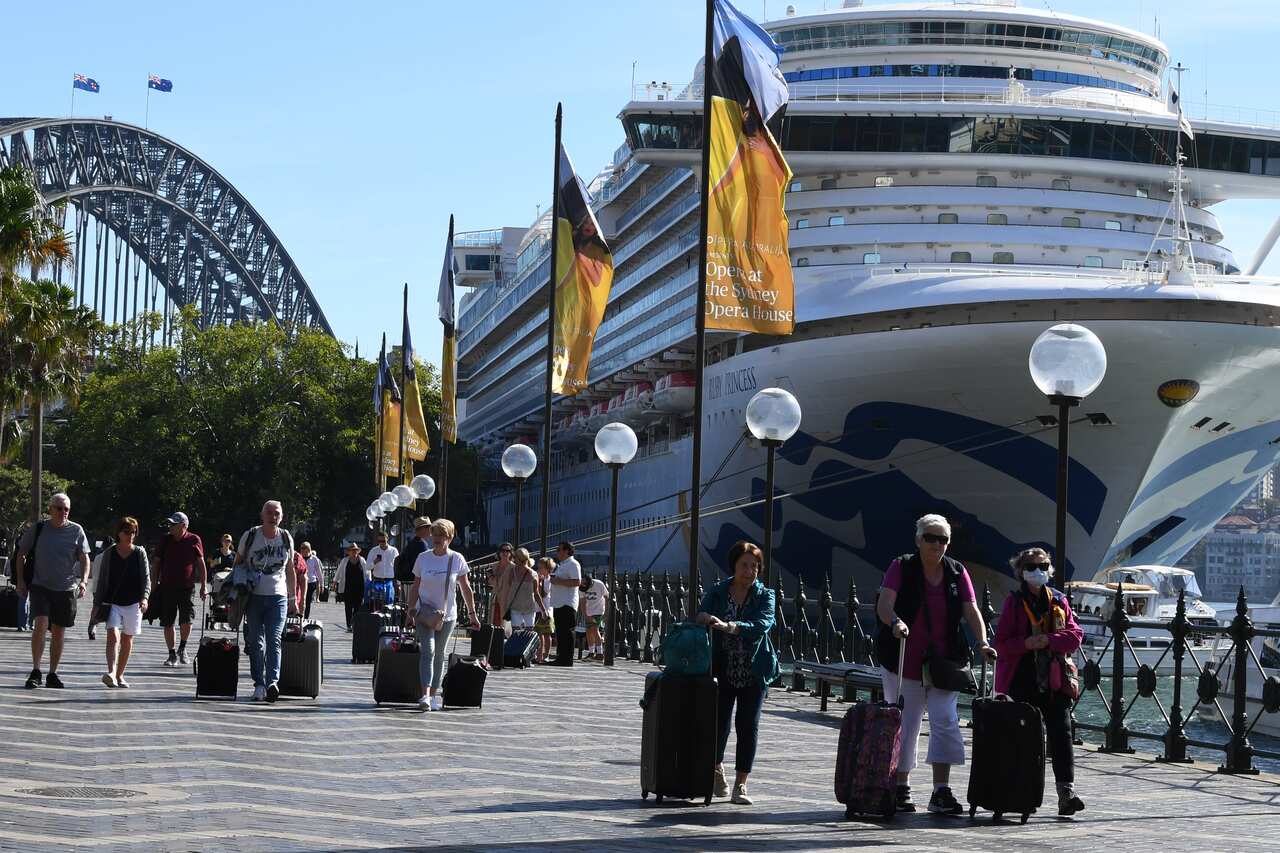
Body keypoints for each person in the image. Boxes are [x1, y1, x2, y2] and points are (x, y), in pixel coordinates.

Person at [875, 513, 995, 815]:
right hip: (904, 658)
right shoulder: (901, 566)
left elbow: (971, 610)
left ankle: (941, 789)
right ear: (918, 540)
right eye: (930, 537)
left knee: (945, 720)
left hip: (945, 663)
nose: (937, 544)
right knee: (906, 723)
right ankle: (900, 785)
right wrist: (897, 622)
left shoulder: (956, 571)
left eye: (943, 539)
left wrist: (982, 642)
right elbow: (885, 604)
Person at [994, 547, 1086, 816]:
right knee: (1023, 739)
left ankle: (1066, 792)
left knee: (1062, 733)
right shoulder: (1014, 602)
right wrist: (1026, 643)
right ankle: (1022, 792)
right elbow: (1002, 644)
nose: (1039, 571)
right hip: (1022, 678)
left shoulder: (1058, 599)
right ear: (1021, 571)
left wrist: (1049, 640)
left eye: (1044, 566)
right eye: (1033, 567)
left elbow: (1075, 635)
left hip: (1055, 679)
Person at [695, 541, 779, 806]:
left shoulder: (766, 595)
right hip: (723, 668)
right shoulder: (719, 591)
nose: (750, 571)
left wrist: (731, 626)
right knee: (719, 724)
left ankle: (741, 784)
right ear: (734, 565)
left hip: (754, 670)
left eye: (754, 566)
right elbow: (700, 614)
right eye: (745, 565)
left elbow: (763, 624)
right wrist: (707, 618)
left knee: (748, 725)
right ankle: (716, 769)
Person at [13, 493, 91, 689]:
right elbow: (21, 554)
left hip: (65, 589)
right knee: (40, 623)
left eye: (66, 509)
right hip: (40, 586)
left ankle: (52, 673)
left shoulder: (76, 530)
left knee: (58, 632)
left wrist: (83, 581)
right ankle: (36, 670)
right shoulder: (39, 529)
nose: (63, 512)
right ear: (50, 509)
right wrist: (21, 581)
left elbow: (84, 557)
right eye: (59, 508)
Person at [406, 519, 481, 711]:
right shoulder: (423, 558)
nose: (437, 539)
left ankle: (432, 696)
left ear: (450, 537)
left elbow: (466, 588)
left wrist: (472, 614)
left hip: (447, 616)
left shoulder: (456, 559)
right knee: (428, 651)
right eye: (435, 535)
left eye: (442, 535)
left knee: (439, 654)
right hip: (424, 613)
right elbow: (415, 587)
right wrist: (410, 611)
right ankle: (424, 694)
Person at [234, 500, 298, 702]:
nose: (273, 516)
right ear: (262, 515)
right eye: (269, 512)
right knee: (255, 642)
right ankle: (258, 684)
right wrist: (236, 592)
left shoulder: (286, 537)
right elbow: (238, 563)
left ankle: (272, 682)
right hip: (253, 597)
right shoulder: (251, 535)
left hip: (277, 597)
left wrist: (293, 598)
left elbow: (290, 570)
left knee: (274, 639)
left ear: (282, 516)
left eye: (277, 513)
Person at [92, 517, 151, 688]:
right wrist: (96, 604)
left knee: (127, 639)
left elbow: (146, 579)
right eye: (127, 532)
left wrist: (145, 597)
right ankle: (111, 672)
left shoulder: (140, 553)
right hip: (113, 602)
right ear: (119, 533)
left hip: (134, 602)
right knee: (113, 634)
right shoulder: (109, 553)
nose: (130, 535)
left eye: (133, 532)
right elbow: (102, 581)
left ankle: (120, 675)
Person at [154, 511, 206, 667]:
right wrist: (153, 583)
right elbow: (156, 562)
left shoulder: (193, 539)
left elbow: (201, 564)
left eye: (174, 524)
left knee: (187, 619)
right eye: (170, 524)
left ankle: (182, 648)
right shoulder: (165, 540)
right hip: (167, 586)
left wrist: (203, 585)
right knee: (168, 621)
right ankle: (171, 654)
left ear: (183, 526)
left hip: (187, 587)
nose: (170, 527)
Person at [548, 541, 581, 666]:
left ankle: (566, 659)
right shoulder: (562, 565)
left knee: (567, 632)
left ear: (567, 551)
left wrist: (558, 581)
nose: (557, 552)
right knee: (560, 632)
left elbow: (577, 582)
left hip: (567, 603)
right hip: (558, 602)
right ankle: (560, 657)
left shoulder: (573, 564)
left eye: (559, 549)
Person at [502, 547, 541, 632]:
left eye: (515, 557)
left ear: (520, 559)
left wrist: (543, 610)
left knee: (528, 633)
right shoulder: (512, 572)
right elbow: (507, 590)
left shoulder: (533, 574)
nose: (514, 559)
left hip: (529, 608)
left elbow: (536, 593)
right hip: (515, 607)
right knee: (516, 633)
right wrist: (505, 606)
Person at [395, 518, 431, 603]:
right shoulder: (420, 544)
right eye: (428, 527)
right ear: (422, 529)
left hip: (409, 582)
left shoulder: (414, 542)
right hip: (415, 583)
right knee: (415, 609)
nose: (430, 530)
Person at [335, 542, 368, 629]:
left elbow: (367, 572)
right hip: (348, 587)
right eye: (352, 550)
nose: (354, 552)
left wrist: (368, 582)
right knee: (348, 606)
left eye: (355, 550)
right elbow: (339, 571)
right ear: (349, 552)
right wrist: (335, 581)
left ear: (358, 551)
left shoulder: (362, 560)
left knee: (358, 606)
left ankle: (355, 623)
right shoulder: (344, 561)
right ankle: (349, 624)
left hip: (359, 587)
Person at [580, 573, 610, 660]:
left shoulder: (599, 584)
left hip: (598, 610)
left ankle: (600, 652)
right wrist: (585, 615)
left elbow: (607, 596)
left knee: (594, 629)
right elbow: (582, 602)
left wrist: (606, 612)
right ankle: (591, 652)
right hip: (589, 611)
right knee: (588, 631)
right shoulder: (581, 587)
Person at [366, 531, 398, 607]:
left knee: (389, 603)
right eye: (379, 541)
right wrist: (374, 562)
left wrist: (398, 583)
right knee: (376, 603)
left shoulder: (393, 551)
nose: (381, 543)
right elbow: (367, 567)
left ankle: (387, 618)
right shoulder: (374, 551)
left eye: (383, 541)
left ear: (387, 539)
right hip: (377, 581)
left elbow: (397, 567)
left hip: (389, 581)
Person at [488, 543, 516, 627]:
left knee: (505, 625)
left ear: (511, 553)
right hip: (494, 598)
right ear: (499, 552)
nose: (505, 553)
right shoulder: (493, 566)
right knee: (494, 622)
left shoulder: (513, 567)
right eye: (502, 550)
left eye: (507, 551)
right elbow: (491, 582)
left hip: (507, 600)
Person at [534, 557, 556, 664]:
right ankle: (539, 654)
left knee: (547, 634)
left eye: (541, 567)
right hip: (537, 608)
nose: (539, 569)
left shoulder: (550, 580)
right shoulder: (538, 578)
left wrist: (540, 583)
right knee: (538, 633)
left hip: (547, 608)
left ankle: (546, 655)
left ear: (548, 569)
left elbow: (545, 594)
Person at [300, 542, 323, 619]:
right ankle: (299, 617)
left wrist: (322, 584)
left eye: (304, 548)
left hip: (310, 583)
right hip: (300, 582)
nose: (302, 550)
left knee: (307, 601)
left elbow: (319, 572)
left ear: (308, 549)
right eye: (301, 548)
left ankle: (305, 618)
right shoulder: (299, 558)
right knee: (300, 600)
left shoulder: (314, 559)